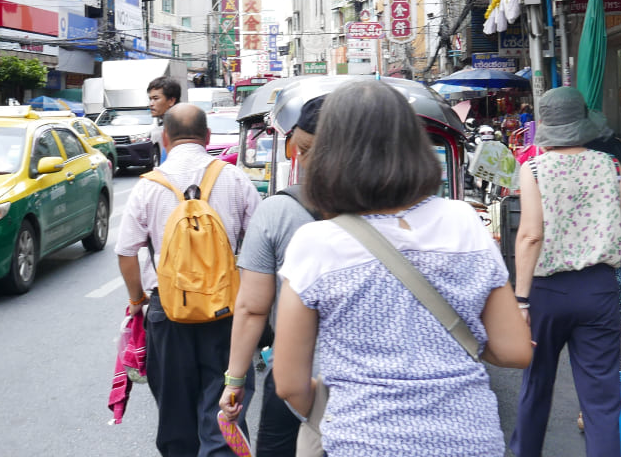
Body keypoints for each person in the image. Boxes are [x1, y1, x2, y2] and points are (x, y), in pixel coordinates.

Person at [273, 82, 532, 457]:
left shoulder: (316, 243)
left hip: (362, 442)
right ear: (413, 145)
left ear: (331, 153)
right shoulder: (462, 221)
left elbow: (289, 385)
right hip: (469, 440)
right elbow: (514, 351)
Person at [115, 103, 261, 457]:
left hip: (168, 311)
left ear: (164, 139)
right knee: (223, 406)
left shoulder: (148, 187)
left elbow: (126, 251)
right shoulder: (235, 178)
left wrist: (138, 301)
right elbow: (260, 244)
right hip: (227, 312)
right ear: (207, 137)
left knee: (175, 416)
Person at [509, 87, 621, 457]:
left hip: (546, 294)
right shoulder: (611, 165)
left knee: (536, 388)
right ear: (582, 122)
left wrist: (521, 301)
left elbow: (530, 236)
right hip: (599, 290)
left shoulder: (534, 168)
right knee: (601, 400)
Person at [219, 96, 324, 457]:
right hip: (373, 385)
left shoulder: (278, 211)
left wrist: (234, 381)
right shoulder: (397, 214)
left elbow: (251, 308)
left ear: (295, 148)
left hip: (292, 377)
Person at [148, 76, 181, 162]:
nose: (151, 104)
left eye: (156, 99)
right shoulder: (168, 125)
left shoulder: (180, 127)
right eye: (150, 99)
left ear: (171, 101)